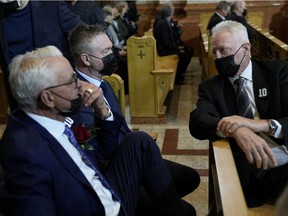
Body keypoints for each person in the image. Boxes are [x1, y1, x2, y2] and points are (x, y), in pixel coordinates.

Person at [0, 45, 191, 216]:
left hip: (102, 186)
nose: (82, 86)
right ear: (48, 98)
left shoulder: (50, 116)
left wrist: (101, 109)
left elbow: (101, 152)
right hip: (98, 207)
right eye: (72, 81)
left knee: (139, 140)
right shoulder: (24, 156)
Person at [68, 23, 200, 215]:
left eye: (111, 48)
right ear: (86, 59)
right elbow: (100, 155)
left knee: (190, 178)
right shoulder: (80, 98)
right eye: (106, 51)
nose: (112, 54)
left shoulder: (103, 83)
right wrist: (104, 114)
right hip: (115, 173)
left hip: (134, 158)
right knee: (187, 211)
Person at [189, 20, 288, 207]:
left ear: (246, 48)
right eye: (214, 52)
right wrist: (235, 130)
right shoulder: (211, 87)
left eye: (224, 50)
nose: (218, 58)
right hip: (251, 170)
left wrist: (261, 124)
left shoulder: (276, 72)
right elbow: (198, 121)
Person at [0, 0, 81, 111]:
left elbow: (83, 37)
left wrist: (78, 77)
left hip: (57, 94)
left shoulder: (52, 6)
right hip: (19, 98)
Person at [153, 3, 193, 84]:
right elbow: (167, 43)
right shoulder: (162, 24)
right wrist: (177, 49)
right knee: (184, 55)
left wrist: (177, 48)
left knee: (188, 50)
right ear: (171, 13)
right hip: (163, 51)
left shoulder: (164, 21)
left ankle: (179, 74)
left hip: (166, 48)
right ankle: (177, 77)